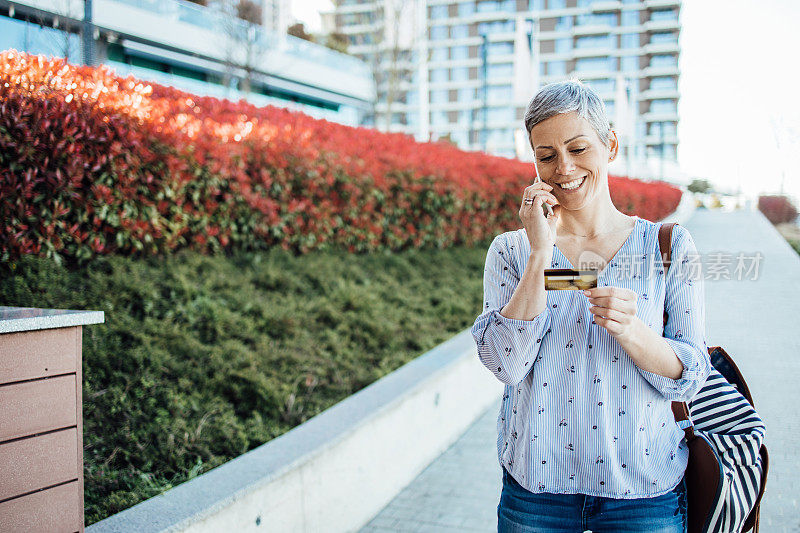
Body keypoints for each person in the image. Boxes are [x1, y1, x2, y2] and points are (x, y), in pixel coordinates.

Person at [470, 80, 711, 533]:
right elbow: (504, 364)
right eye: (546, 156)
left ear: (611, 145)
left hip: (642, 495)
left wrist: (636, 333)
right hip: (536, 495)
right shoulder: (510, 252)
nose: (564, 168)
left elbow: (693, 375)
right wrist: (540, 254)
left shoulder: (668, 246)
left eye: (579, 148)